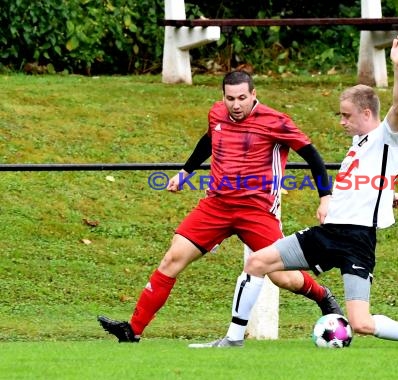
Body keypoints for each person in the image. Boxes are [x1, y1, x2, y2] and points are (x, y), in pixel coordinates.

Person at [207, 35, 398, 349]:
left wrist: (397, 66)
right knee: (257, 263)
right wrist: (387, 194)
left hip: (357, 241)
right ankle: (233, 340)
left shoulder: (388, 135)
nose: (342, 121)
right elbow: (370, 180)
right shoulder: (358, 145)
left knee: (362, 323)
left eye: (347, 115)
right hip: (327, 233)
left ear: (367, 114)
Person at [98, 70, 342, 345]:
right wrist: (185, 172)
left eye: (241, 98)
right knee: (172, 259)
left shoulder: (276, 121)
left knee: (282, 277)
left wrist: (325, 197)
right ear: (222, 97)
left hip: (256, 210)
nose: (235, 105)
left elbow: (312, 155)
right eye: (229, 98)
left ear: (253, 95)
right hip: (216, 206)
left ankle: (323, 295)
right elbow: (209, 140)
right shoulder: (217, 114)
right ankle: (134, 331)